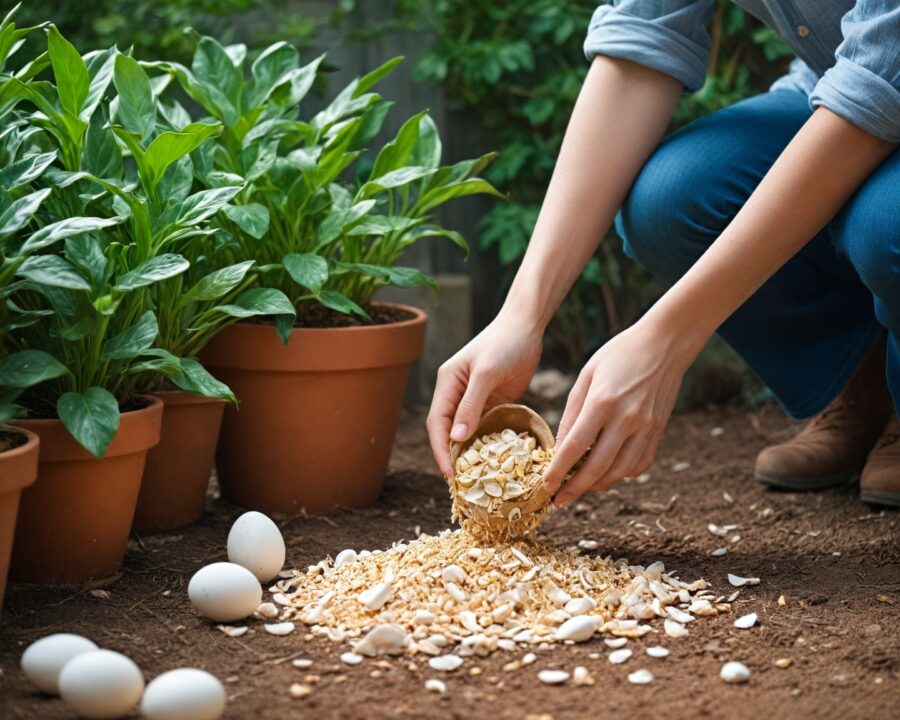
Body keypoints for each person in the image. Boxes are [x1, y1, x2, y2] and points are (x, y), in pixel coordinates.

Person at [426, 1, 899, 508]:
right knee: (668, 202)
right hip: (837, 82)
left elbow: (880, 76)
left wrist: (666, 341)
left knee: (884, 226)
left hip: (878, 83)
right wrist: (521, 317)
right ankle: (869, 385)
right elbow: (642, 42)